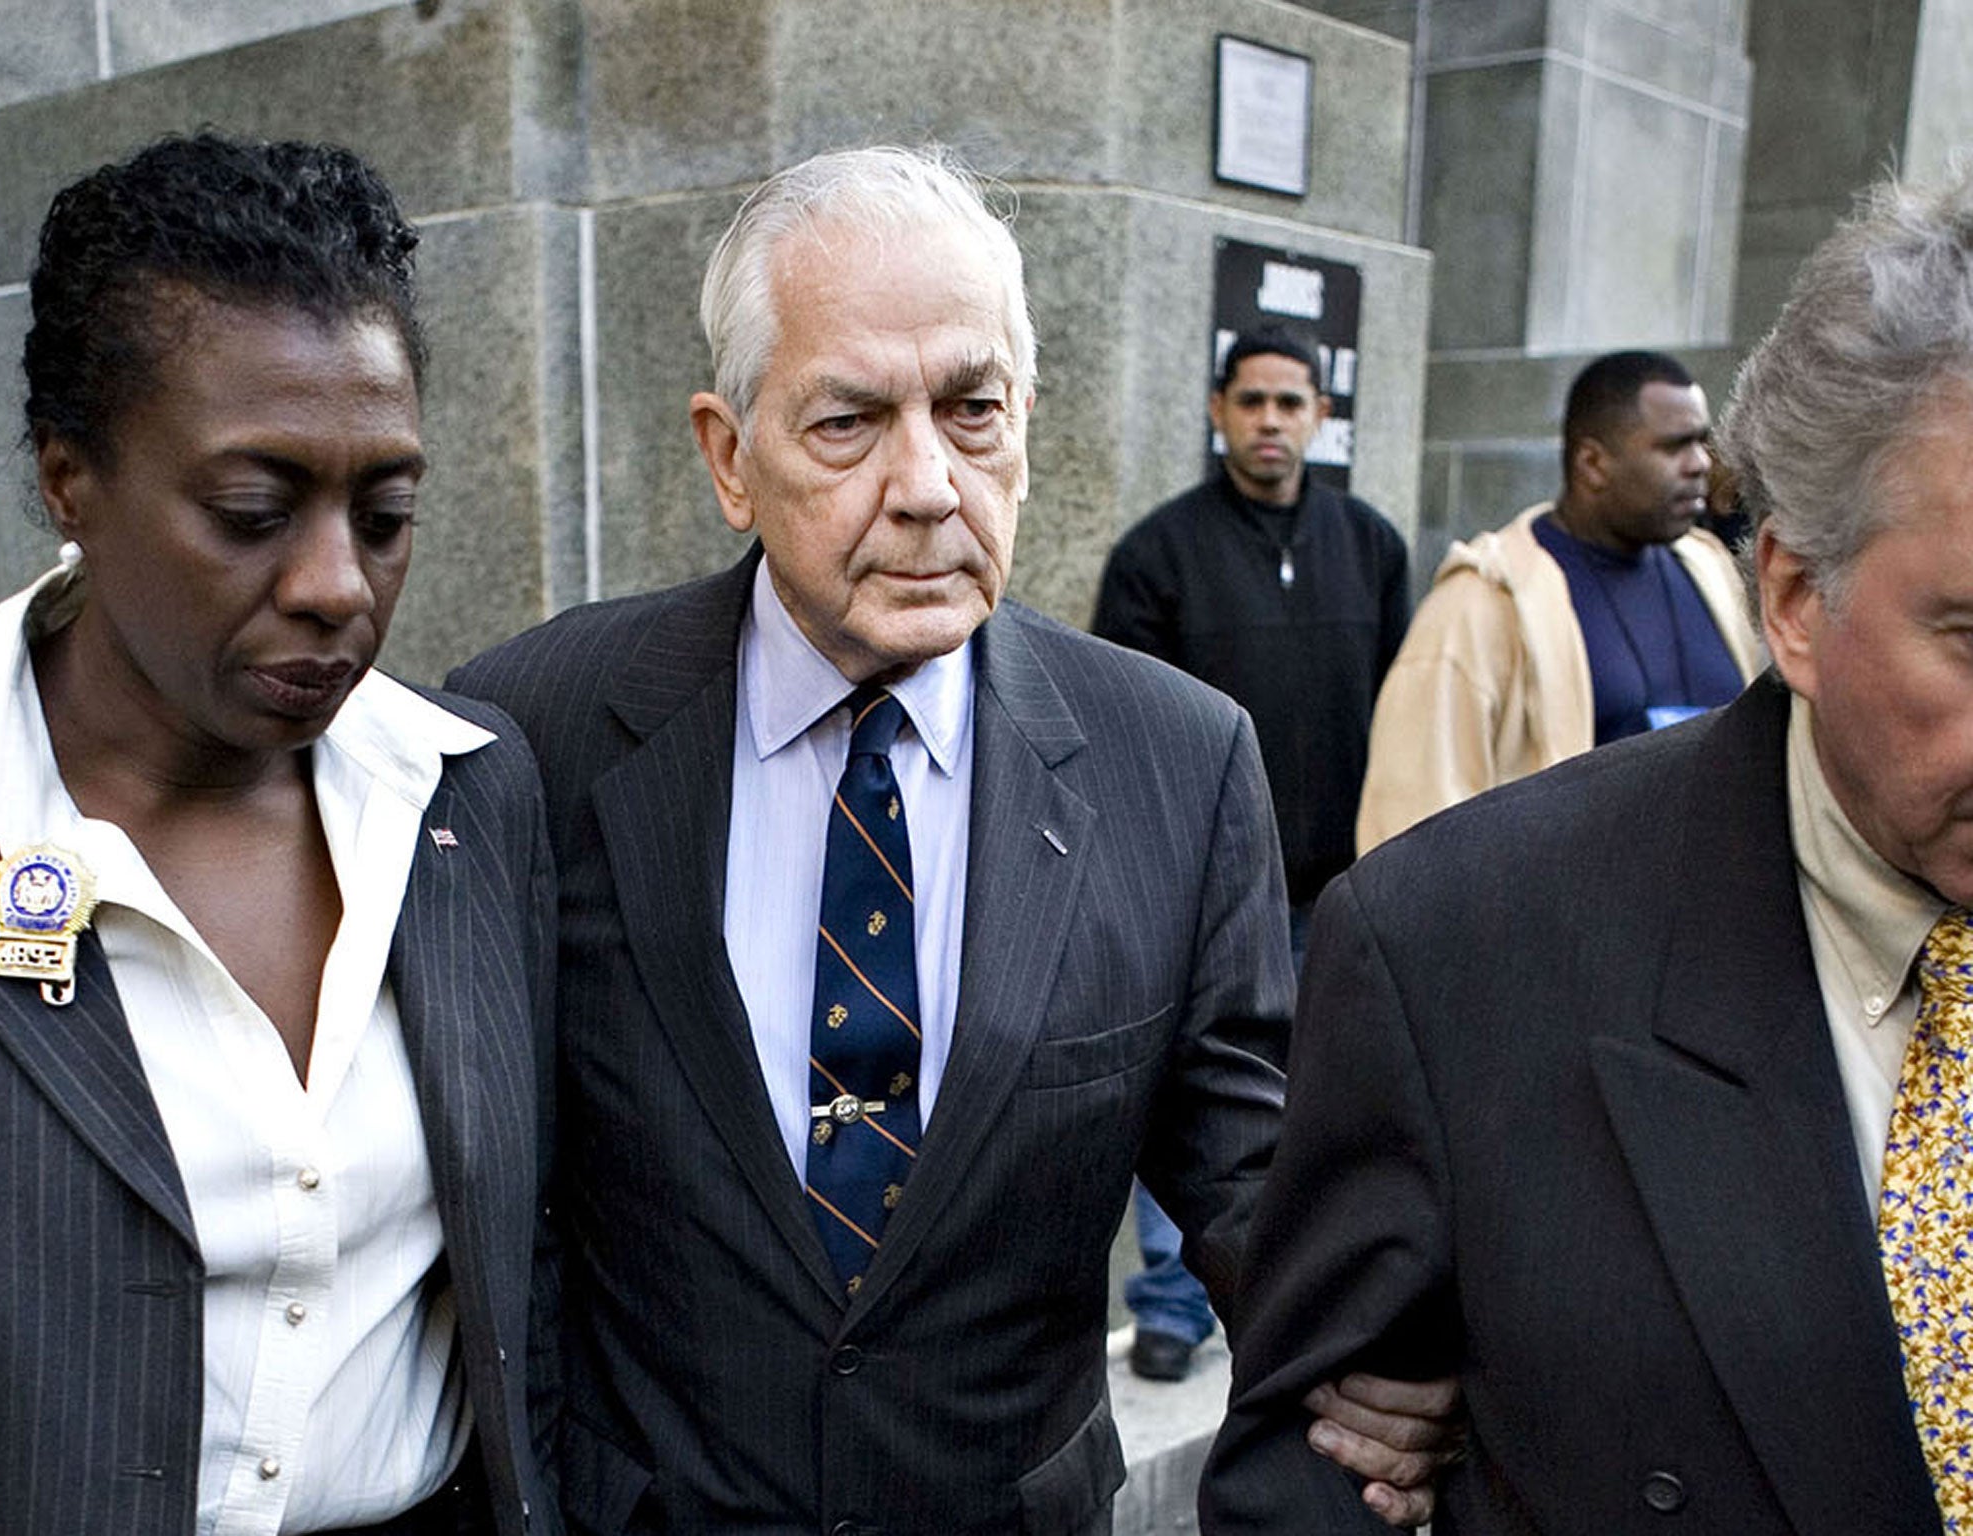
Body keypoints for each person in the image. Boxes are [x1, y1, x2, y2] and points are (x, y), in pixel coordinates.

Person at [452, 145, 1453, 1536]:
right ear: (728, 458)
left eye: (971, 410)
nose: (928, 485)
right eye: (850, 423)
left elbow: (1246, 1168)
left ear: (1026, 422)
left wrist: (1391, 1353)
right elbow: (490, 1197)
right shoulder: (536, 730)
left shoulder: (1177, 758)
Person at [1202, 171, 1973, 1533]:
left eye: (1700, 450)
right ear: (1797, 599)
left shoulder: (1690, 582)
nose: (1689, 470)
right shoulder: (1457, 949)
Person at [0, 133, 557, 1534]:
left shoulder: (463, 795)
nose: (337, 585)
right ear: (68, 481)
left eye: (386, 516)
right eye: (252, 512)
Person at [1092, 325, 1408, 1383]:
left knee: (1320, 1103)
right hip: (1205, 894)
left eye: (1291, 402)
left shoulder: (1368, 543)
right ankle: (1174, 1302)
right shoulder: (1157, 553)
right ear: (1219, 410)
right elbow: (1123, 733)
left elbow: (1396, 714)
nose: (1271, 422)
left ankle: (1306, 1291)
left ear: (1321, 416)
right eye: (1252, 401)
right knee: (1190, 1099)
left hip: (1333, 889)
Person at [1355, 349, 1759, 852]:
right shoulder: (1485, 597)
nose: (1700, 463)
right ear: (1592, 462)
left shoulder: (1715, 570)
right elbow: (1412, 823)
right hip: (1567, 919)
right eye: (1674, 446)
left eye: (1702, 441)